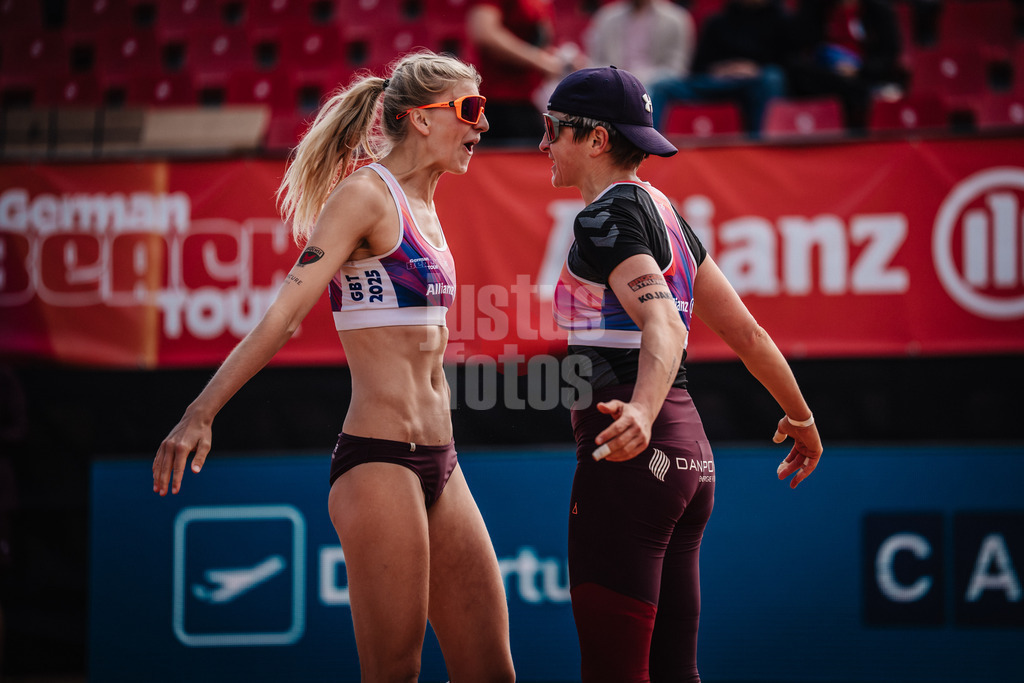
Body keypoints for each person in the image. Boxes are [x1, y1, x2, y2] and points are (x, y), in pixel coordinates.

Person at [152, 50, 516, 683]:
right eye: (470, 109)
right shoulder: (365, 195)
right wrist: (199, 412)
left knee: (491, 671)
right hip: (379, 458)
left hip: (442, 459)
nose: (482, 125)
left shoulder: (425, 204)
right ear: (422, 119)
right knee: (394, 674)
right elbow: (283, 316)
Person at [541, 66, 823, 682]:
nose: (543, 144)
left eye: (553, 129)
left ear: (596, 139)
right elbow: (747, 333)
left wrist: (640, 409)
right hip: (690, 456)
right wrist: (801, 417)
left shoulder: (603, 220)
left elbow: (663, 325)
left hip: (634, 453)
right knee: (675, 672)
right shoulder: (664, 210)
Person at [646, 0, 793, 136]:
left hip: (756, 82)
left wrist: (755, 68)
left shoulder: (782, 21)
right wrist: (721, 69)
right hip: (718, 83)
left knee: (773, 77)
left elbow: (789, 65)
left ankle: (762, 144)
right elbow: (697, 67)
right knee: (663, 87)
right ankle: (649, 147)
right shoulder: (717, 21)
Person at [466, 0, 583, 143]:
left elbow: (538, 43)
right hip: (500, 101)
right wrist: (540, 61)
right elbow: (485, 32)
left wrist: (561, 61)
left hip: (529, 98)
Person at [787, 0, 909, 133]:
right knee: (799, 72)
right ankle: (865, 96)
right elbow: (798, 46)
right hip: (825, 75)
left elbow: (888, 55)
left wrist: (858, 69)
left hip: (863, 75)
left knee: (849, 86)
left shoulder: (879, 11)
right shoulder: (815, 8)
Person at [584, 0, 696, 90]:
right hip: (613, 83)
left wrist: (636, 78)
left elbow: (676, 70)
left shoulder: (676, 19)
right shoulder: (606, 17)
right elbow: (596, 62)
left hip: (653, 87)